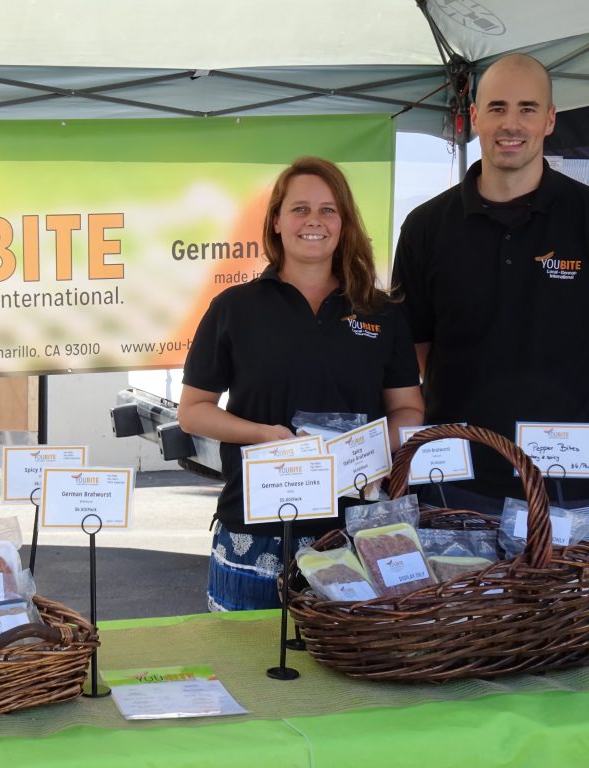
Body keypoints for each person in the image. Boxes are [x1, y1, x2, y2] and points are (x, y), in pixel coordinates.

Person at [178, 156, 424, 611]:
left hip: (355, 533)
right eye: (300, 209)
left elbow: (409, 409)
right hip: (255, 535)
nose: (314, 221)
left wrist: (363, 448)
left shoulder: (380, 311)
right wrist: (267, 436)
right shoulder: (235, 307)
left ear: (344, 222)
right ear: (276, 220)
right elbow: (193, 410)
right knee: (243, 676)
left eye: (328, 209)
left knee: (348, 678)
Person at [392, 53, 589, 514]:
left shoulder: (584, 216)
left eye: (527, 108)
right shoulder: (426, 226)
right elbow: (413, 351)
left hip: (572, 485)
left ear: (550, 119)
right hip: (458, 480)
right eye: (497, 108)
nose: (512, 124)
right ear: (475, 117)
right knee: (459, 591)